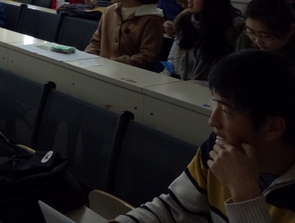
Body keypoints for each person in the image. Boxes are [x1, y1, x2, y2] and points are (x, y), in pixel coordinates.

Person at [113, 50, 295, 223]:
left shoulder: (229, 157)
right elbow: (174, 210)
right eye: (215, 105)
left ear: (273, 128)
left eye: (226, 111)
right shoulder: (219, 149)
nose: (213, 121)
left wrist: (245, 195)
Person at [85, 0, 163, 70]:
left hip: (130, 75)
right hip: (103, 70)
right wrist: (87, 58)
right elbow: (96, 42)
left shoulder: (151, 19)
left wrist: (112, 63)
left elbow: (147, 57)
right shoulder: (109, 11)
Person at [168, 0, 241, 82]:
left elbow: (231, 76)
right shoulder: (186, 23)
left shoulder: (232, 30)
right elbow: (171, 61)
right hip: (180, 85)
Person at [235, 0, 295, 67]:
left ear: (290, 30)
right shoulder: (246, 41)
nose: (257, 41)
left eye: (265, 36)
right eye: (251, 32)